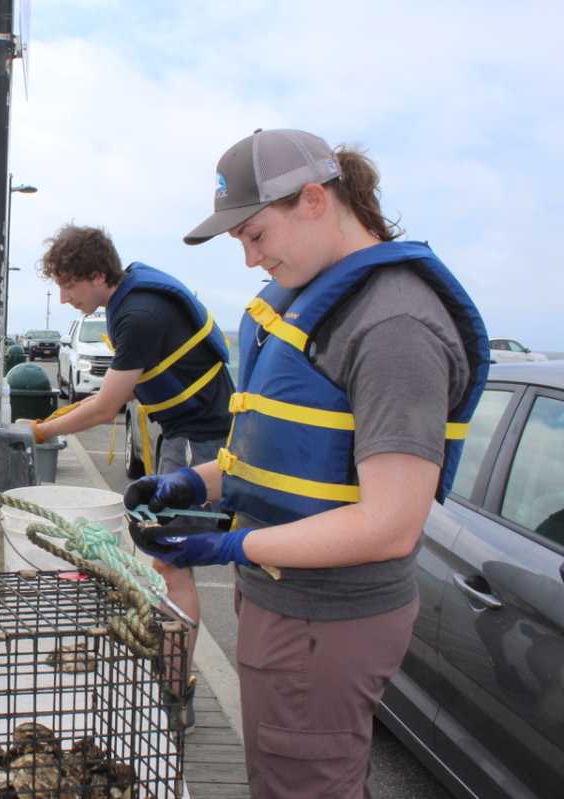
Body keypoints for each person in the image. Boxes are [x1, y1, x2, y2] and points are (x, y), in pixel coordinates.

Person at [123, 129, 488, 797]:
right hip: (289, 608)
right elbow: (281, 462)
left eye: (255, 235)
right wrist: (193, 482)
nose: (250, 259)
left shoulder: (394, 327)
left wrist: (226, 544)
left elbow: (391, 524)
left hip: (328, 623)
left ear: (315, 200)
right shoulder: (317, 305)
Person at [29, 223, 234, 725]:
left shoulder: (138, 315)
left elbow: (105, 408)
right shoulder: (133, 300)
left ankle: (175, 687)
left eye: (69, 285)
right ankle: (169, 665)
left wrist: (40, 432)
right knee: (163, 560)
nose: (64, 297)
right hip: (183, 437)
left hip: (199, 447)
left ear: (98, 276)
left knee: (171, 562)